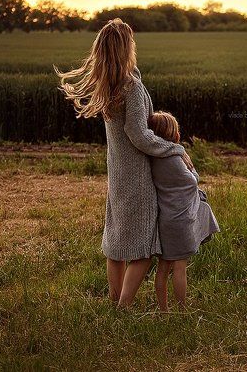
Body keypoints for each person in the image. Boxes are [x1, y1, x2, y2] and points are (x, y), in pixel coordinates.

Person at [55, 19, 193, 307]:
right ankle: (123, 308)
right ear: (126, 48)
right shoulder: (130, 86)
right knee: (141, 251)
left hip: (117, 173)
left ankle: (114, 302)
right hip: (137, 175)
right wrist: (174, 148)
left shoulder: (112, 83)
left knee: (116, 246)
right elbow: (139, 135)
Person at [148, 111, 220, 311]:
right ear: (173, 132)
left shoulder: (154, 156)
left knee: (163, 268)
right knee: (179, 267)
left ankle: (163, 310)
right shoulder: (172, 156)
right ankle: (181, 309)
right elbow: (191, 181)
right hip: (179, 220)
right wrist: (191, 165)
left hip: (165, 219)